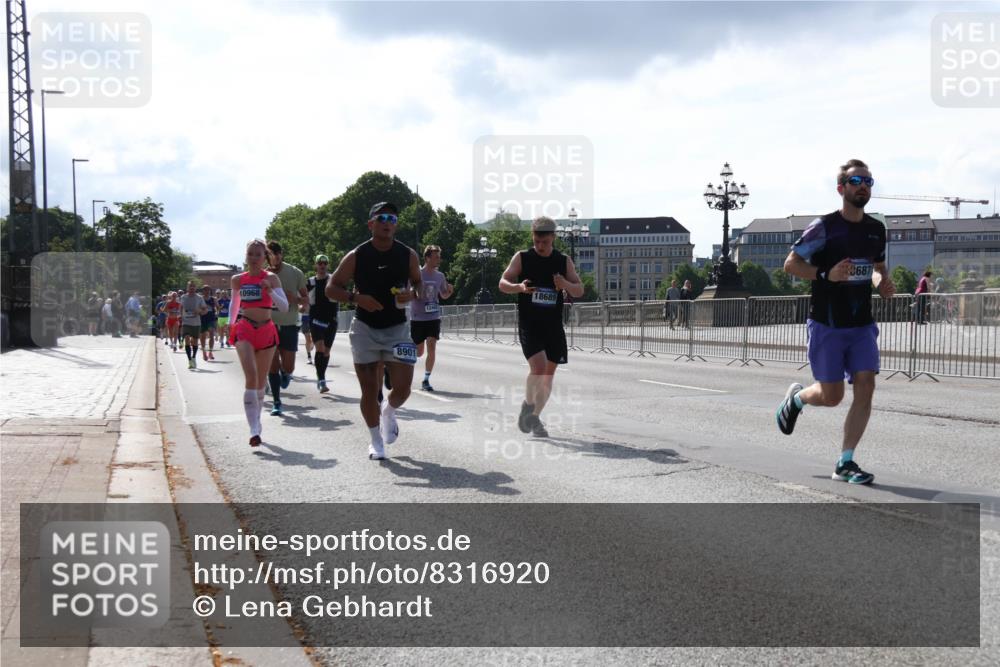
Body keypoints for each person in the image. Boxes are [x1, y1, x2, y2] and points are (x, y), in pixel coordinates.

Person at [775, 159, 895, 486]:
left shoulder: (876, 229)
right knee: (832, 397)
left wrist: (880, 283)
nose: (863, 186)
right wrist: (826, 273)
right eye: (856, 180)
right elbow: (790, 264)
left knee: (866, 387)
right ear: (841, 188)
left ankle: (846, 462)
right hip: (827, 323)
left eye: (869, 181)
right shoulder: (824, 227)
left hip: (861, 324)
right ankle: (797, 399)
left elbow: (876, 267)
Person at [325, 202, 421, 460]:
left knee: (403, 389)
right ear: (371, 224)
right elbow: (331, 288)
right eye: (382, 218)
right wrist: (356, 298)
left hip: (398, 328)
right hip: (365, 328)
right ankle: (375, 441)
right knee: (369, 390)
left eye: (392, 218)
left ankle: (388, 411)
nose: (388, 222)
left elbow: (421, 285)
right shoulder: (357, 255)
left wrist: (413, 294)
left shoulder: (407, 254)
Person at [498, 216, 584, 438]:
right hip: (530, 324)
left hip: (553, 326)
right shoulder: (523, 258)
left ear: (553, 238)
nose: (540, 246)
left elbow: (579, 290)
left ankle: (534, 417)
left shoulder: (563, 261)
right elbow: (502, 283)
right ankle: (527, 405)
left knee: (548, 375)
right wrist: (518, 287)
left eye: (544, 242)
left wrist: (564, 284)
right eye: (536, 241)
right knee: (538, 367)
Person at [229, 239, 289, 446]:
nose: (254, 258)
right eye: (250, 254)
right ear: (245, 256)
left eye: (258, 254)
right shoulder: (238, 279)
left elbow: (284, 307)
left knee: (261, 382)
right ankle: (253, 429)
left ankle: (257, 421)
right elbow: (234, 304)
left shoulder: (271, 278)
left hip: (266, 330)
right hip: (245, 327)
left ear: (265, 258)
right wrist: (230, 324)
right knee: (251, 376)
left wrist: (270, 291)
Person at [264, 241, 308, 416]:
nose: (274, 257)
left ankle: (286, 373)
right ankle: (277, 401)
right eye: (270, 254)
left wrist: (295, 300)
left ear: (282, 254)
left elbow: (305, 300)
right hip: (268, 325)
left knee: (289, 367)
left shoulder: (295, 272)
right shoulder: (262, 274)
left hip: (289, 325)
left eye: (277, 253)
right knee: (272, 365)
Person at [410, 245, 454, 392]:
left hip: (433, 317)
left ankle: (426, 379)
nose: (439, 260)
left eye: (439, 257)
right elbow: (409, 293)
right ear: (427, 258)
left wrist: (449, 291)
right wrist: (415, 293)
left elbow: (443, 295)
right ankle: (395, 368)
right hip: (417, 318)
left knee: (432, 345)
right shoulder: (417, 274)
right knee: (418, 352)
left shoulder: (440, 276)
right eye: (436, 257)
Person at [306, 254, 339, 394]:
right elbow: (303, 296)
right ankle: (321, 380)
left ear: (327, 265)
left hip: (331, 319)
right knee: (320, 348)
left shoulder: (334, 280)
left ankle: (321, 375)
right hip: (316, 320)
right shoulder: (310, 282)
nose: (322, 266)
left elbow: (341, 292)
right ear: (316, 265)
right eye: (320, 263)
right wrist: (302, 305)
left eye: (325, 263)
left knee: (326, 351)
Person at [179, 281, 209, 369]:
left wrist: (199, 311)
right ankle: (189, 361)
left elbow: (205, 310)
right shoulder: (183, 297)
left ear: (195, 288)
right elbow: (181, 307)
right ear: (187, 288)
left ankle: (194, 358)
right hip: (186, 322)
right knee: (187, 339)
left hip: (196, 323)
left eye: (193, 287)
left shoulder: (199, 298)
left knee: (195, 342)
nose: (191, 288)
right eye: (190, 286)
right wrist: (180, 315)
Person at [199, 285, 219, 360]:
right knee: (203, 336)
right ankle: (204, 352)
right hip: (202, 318)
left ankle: (210, 352)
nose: (207, 291)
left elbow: (217, 307)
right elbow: (197, 307)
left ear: (210, 291)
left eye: (208, 290)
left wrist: (217, 311)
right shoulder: (200, 299)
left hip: (211, 318)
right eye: (205, 290)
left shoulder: (213, 299)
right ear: (203, 291)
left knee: (211, 334)